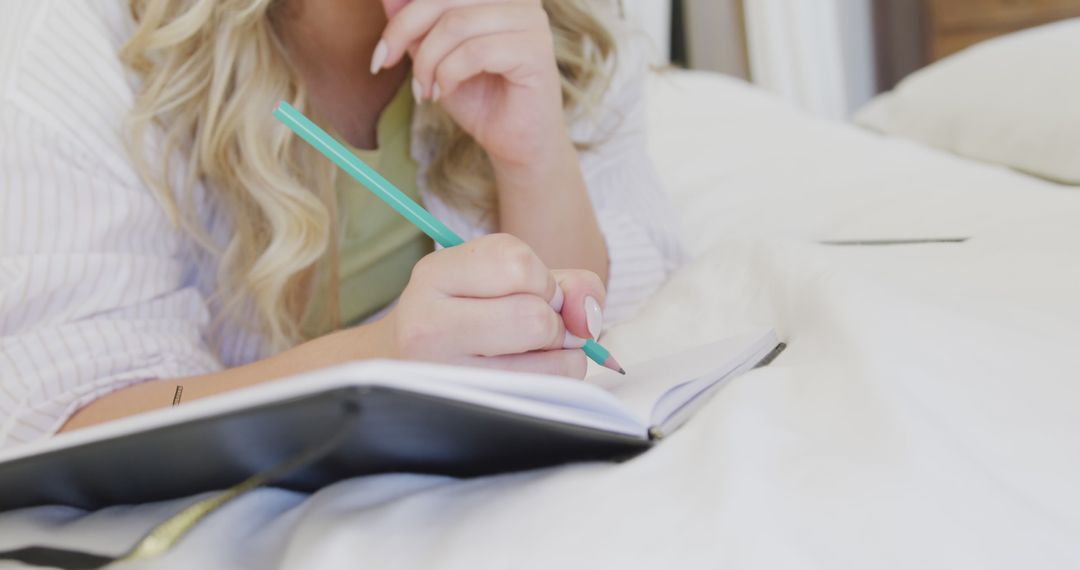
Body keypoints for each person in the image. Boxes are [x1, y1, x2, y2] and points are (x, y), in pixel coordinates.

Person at [0, 0, 683, 445]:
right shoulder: (74, 41)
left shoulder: (568, 26)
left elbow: (584, 340)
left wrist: (533, 153)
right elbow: (71, 421)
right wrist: (376, 361)